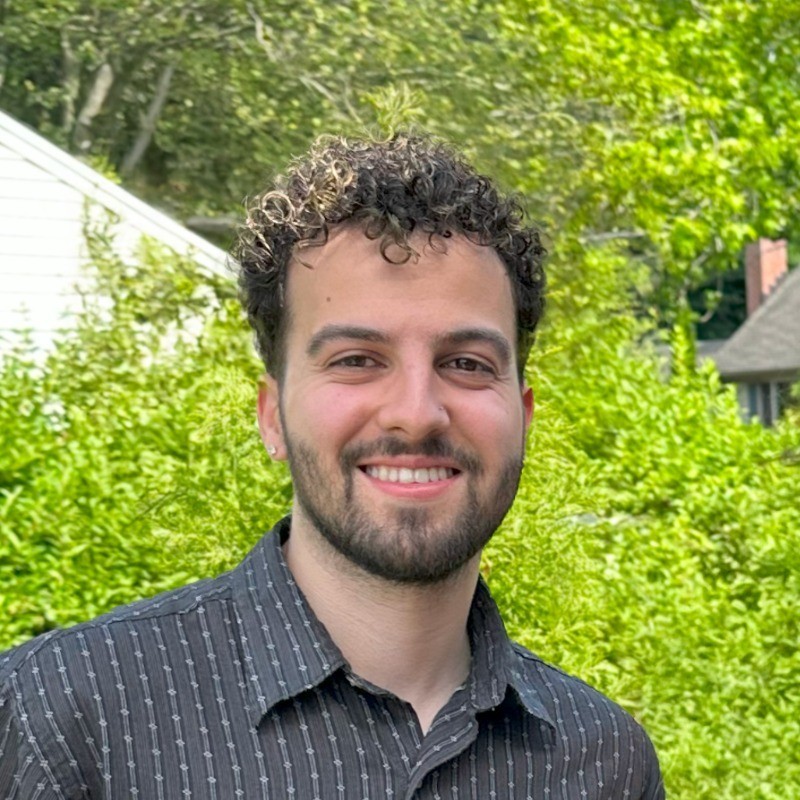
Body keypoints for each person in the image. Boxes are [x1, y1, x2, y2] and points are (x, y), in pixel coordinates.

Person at [0, 133, 664, 799]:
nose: (416, 414)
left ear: (522, 415)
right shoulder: (64, 719)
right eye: (356, 360)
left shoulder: (606, 764)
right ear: (272, 416)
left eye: (466, 363)